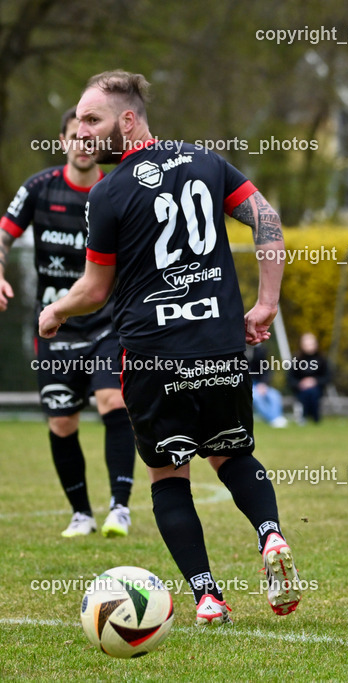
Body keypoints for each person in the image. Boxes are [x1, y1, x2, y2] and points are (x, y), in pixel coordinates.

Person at [38, 70, 300, 624]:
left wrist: (56, 311)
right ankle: (271, 535)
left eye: (93, 120)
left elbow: (94, 290)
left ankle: (207, 597)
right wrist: (266, 305)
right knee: (232, 453)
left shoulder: (107, 195)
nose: (83, 133)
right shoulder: (206, 162)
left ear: (128, 121)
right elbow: (268, 220)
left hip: (154, 355)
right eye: (79, 122)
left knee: (168, 474)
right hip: (220, 343)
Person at [0, 108, 136, 538]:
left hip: (107, 324)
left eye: (89, 137)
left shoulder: (117, 188)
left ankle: (120, 507)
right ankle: (82, 514)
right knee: (62, 422)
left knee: (113, 401)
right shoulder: (40, 188)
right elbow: (4, 235)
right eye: (74, 137)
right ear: (63, 141)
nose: (82, 144)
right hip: (54, 327)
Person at [287, 332, 330, 424]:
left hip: (317, 389)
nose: (309, 347)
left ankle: (314, 417)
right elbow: (290, 379)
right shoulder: (296, 359)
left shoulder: (322, 359)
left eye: (311, 344)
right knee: (307, 393)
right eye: (306, 344)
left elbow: (328, 377)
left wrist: (315, 381)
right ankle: (304, 416)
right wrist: (300, 384)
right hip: (300, 390)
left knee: (312, 392)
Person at [247, 343, 288, 428]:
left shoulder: (259, 351)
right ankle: (272, 419)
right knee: (256, 397)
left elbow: (265, 369)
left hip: (259, 383)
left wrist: (263, 384)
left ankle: (277, 417)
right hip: (247, 385)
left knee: (274, 395)